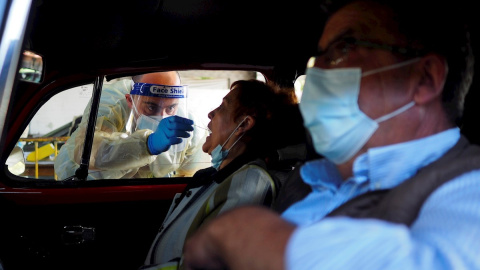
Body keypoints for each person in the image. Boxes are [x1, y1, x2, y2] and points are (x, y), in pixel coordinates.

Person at [181, 0, 480, 269]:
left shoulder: (467, 183)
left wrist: (247, 234)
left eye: (343, 50)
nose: (317, 73)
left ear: (424, 79)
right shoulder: (306, 180)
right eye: (318, 58)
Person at [140, 79, 301, 270]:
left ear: (244, 124)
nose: (211, 113)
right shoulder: (220, 176)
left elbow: (209, 264)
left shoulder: (249, 183)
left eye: (223, 107)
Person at [54, 71, 211, 180]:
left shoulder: (190, 125)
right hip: (95, 187)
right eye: (151, 107)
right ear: (130, 100)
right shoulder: (111, 103)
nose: (162, 117)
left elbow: (190, 178)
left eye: (171, 107)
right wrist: (148, 145)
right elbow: (87, 152)